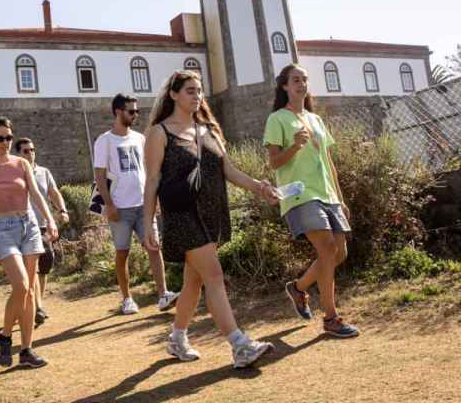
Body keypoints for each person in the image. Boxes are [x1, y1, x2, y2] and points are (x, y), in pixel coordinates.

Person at [142, 69, 280, 368]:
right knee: (214, 276)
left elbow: (228, 170)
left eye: (199, 90)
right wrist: (148, 223)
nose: (197, 95)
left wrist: (260, 187)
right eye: (190, 90)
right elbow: (152, 180)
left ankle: (177, 339)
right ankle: (239, 345)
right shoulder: (159, 133)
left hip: (211, 213)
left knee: (194, 283)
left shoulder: (209, 130)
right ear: (174, 94)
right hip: (181, 216)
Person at [264, 64, 360, 339]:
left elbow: (329, 163)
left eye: (305, 79)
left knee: (339, 253)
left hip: (327, 193)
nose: (302, 84)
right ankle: (330, 318)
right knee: (328, 247)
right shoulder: (277, 120)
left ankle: (298, 288)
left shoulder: (316, 119)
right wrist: (294, 145)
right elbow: (273, 162)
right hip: (300, 194)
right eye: (295, 80)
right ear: (284, 86)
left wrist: (340, 199)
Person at [0, 115, 59, 369]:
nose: (5, 142)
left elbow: (36, 194)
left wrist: (50, 220)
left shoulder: (22, 164)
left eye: (9, 137)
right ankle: (5, 336)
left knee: (31, 290)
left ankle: (26, 350)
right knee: (21, 286)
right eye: (0, 138)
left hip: (30, 225)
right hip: (2, 229)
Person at [94, 93, 180, 315]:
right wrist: (109, 205)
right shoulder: (105, 141)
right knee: (122, 253)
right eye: (131, 111)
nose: (135, 115)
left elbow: (151, 172)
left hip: (144, 204)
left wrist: (156, 199)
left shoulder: (140, 139)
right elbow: (100, 176)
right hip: (119, 208)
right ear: (118, 112)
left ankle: (163, 295)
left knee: (154, 248)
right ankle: (127, 299)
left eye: (137, 111)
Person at [14, 137, 70, 327]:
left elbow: (54, 192)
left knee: (45, 265)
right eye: (25, 151)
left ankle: (37, 303)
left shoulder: (43, 172)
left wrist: (62, 210)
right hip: (25, 227)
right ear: (18, 154)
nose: (30, 154)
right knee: (33, 266)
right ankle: (36, 307)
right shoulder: (15, 173)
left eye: (32, 150)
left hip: (44, 225)